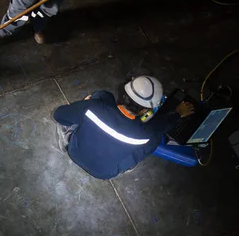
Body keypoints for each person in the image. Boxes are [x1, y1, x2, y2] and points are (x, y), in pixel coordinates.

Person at [53, 76, 194, 180]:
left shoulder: (93, 108)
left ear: (125, 92)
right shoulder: (145, 134)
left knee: (103, 95)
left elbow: (59, 115)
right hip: (102, 173)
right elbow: (160, 126)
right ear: (145, 111)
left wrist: (86, 105)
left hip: (74, 151)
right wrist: (178, 113)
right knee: (154, 140)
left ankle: (71, 134)